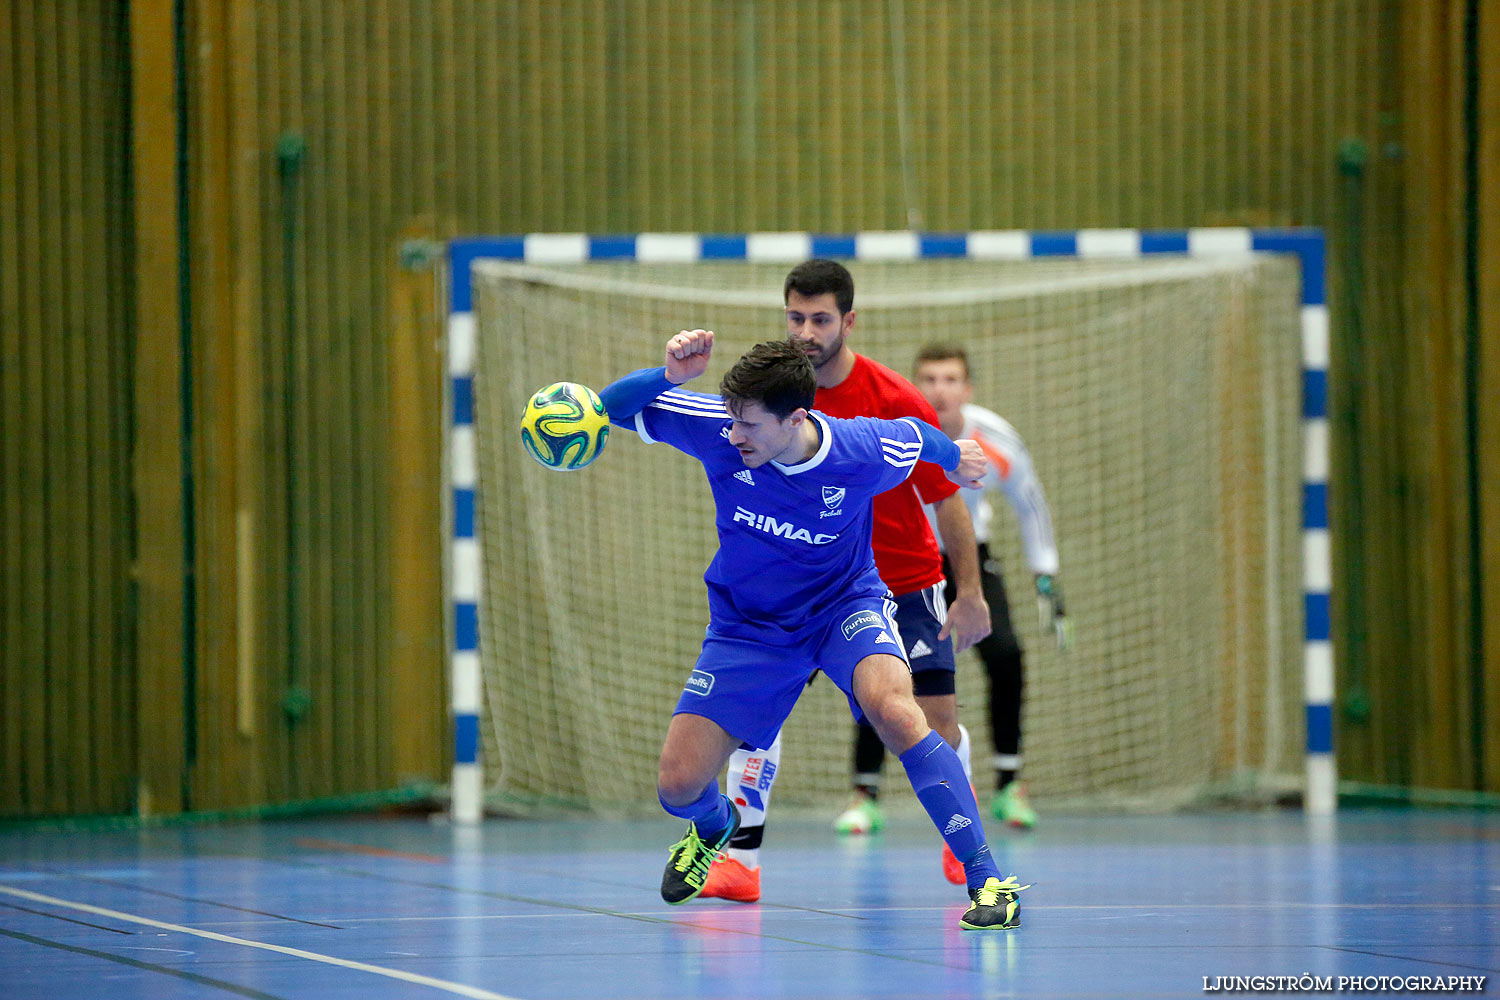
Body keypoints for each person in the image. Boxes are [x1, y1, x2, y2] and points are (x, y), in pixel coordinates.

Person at [595, 330, 1028, 930]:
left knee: (900, 712)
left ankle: (990, 882)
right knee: (677, 786)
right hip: (748, 629)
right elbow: (607, 407)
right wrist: (667, 375)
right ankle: (715, 825)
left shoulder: (858, 447)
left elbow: (919, 437)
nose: (735, 434)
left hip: (842, 608)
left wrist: (958, 457)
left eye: (749, 424)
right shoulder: (720, 430)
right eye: (731, 421)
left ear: (797, 417)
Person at [702, 259, 993, 902]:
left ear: (848, 321)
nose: (806, 332)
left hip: (901, 580)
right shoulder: (771, 397)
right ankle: (740, 863)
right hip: (804, 590)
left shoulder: (893, 400)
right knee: (755, 717)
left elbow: (947, 497)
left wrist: (969, 593)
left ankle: (966, 843)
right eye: (796, 317)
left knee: (928, 725)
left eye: (820, 319)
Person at [912, 343, 1071, 829]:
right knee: (887, 672)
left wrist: (1045, 573)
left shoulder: (997, 437)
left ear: (968, 388)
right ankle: (864, 793)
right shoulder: (898, 430)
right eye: (930, 379)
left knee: (1006, 653)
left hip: (970, 559)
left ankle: (1008, 785)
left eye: (951, 379)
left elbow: (1030, 505)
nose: (940, 390)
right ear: (916, 385)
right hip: (909, 559)